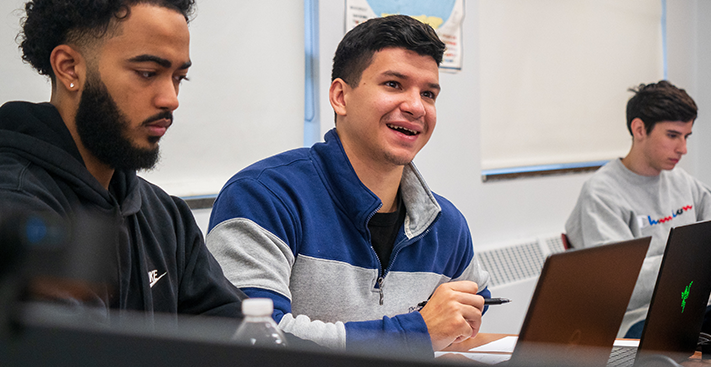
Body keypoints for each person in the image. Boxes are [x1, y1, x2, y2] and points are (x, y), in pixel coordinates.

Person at [207, 15, 490, 357]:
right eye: (394, 84)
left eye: (428, 93)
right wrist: (416, 332)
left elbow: (472, 311)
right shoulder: (262, 198)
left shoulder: (445, 224)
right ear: (340, 96)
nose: (416, 106)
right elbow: (256, 339)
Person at [0, 0, 247, 318]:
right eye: (147, 73)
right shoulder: (18, 210)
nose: (170, 99)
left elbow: (241, 333)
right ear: (69, 67)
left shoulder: (164, 216)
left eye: (179, 77)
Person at [565, 80, 711, 337]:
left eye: (686, 136)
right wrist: (690, 262)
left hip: (693, 310)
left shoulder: (683, 182)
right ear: (639, 129)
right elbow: (620, 286)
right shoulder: (601, 193)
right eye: (672, 135)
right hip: (638, 322)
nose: (682, 148)